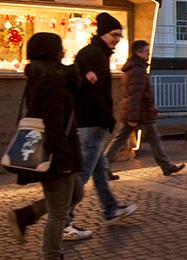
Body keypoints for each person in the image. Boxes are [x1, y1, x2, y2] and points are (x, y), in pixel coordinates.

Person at [8, 33, 85, 260]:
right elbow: (54, 125)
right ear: (53, 52)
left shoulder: (41, 78)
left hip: (58, 150)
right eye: (60, 48)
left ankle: (26, 214)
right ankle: (51, 255)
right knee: (58, 212)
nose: (64, 51)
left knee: (76, 194)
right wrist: (62, 161)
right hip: (57, 154)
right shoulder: (52, 82)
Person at [69, 12, 137, 235]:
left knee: (99, 170)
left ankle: (111, 209)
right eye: (114, 34)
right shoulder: (95, 55)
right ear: (103, 33)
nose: (117, 38)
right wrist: (106, 117)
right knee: (83, 173)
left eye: (119, 35)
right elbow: (93, 92)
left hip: (90, 121)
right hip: (91, 122)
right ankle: (63, 222)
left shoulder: (95, 53)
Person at [103, 40, 186, 176]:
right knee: (123, 140)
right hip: (139, 113)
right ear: (139, 52)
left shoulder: (134, 68)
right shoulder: (137, 70)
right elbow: (136, 95)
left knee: (148, 139)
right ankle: (103, 166)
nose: (149, 54)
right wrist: (133, 117)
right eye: (147, 51)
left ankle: (166, 165)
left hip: (140, 112)